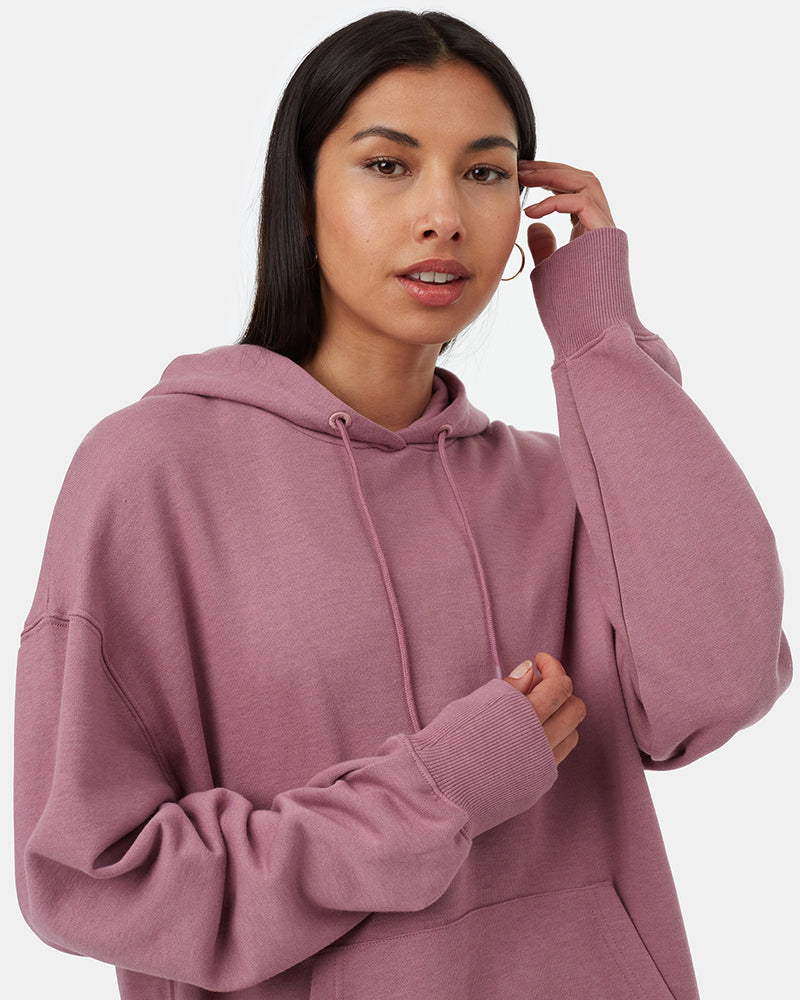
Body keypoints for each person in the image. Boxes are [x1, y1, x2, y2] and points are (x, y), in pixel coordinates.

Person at [13, 9, 791, 1000]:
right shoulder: (152, 474)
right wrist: (434, 792)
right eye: (388, 165)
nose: (444, 214)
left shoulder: (560, 487)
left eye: (485, 171)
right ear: (300, 199)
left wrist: (600, 335)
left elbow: (722, 681)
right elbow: (95, 878)